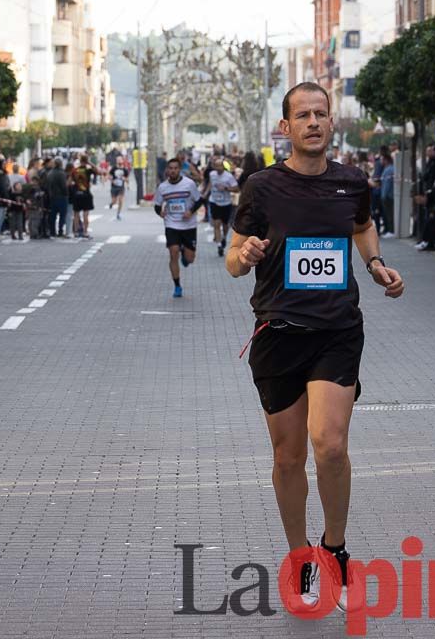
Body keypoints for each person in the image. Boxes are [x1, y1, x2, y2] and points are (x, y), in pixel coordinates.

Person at [225, 82, 404, 612]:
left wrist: (375, 265)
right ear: (285, 127)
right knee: (288, 457)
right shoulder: (261, 187)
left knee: (329, 443)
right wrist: (248, 253)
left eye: (320, 113)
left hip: (336, 329)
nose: (312, 122)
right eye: (301, 115)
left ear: (332, 123)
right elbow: (234, 258)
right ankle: (300, 556)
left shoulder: (351, 182)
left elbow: (363, 226)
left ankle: (336, 550)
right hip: (278, 332)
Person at [155, 158, 204, 298]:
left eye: (175, 168)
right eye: (170, 168)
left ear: (179, 170)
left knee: (190, 259)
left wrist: (191, 211)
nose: (173, 171)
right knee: (173, 252)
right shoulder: (162, 187)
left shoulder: (189, 184)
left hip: (188, 225)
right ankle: (177, 286)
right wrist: (161, 212)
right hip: (172, 224)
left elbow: (199, 200)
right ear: (167, 170)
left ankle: (185, 254)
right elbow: (157, 206)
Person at [206, 157, 238, 257]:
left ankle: (224, 238)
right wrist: (205, 193)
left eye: (220, 165)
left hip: (226, 203)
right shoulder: (212, 174)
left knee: (225, 225)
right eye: (216, 166)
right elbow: (210, 184)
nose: (218, 168)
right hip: (214, 201)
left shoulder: (228, 176)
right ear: (214, 167)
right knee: (216, 224)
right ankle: (219, 245)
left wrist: (226, 188)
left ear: (223, 166)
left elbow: (236, 188)